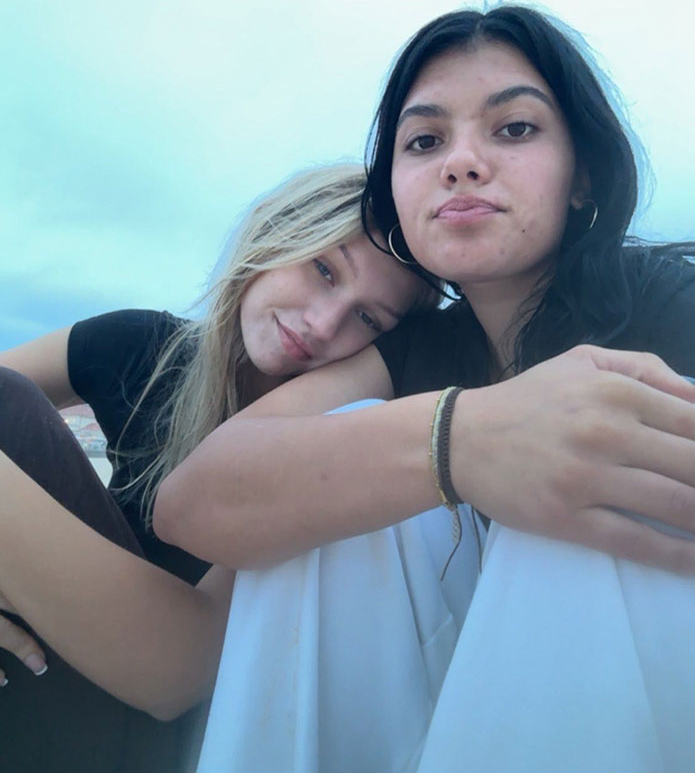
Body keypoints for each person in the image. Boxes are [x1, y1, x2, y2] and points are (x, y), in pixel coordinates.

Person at [151, 5, 695, 771]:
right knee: (330, 491)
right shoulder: (416, 350)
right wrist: (463, 440)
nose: (462, 162)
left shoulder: (667, 303)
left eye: (514, 129)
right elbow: (194, 499)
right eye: (425, 140)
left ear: (582, 179)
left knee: (594, 477)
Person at [0, 163, 435, 773]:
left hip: (163, 733)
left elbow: (180, 676)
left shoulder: (331, 432)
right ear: (276, 235)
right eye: (323, 269)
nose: (322, 323)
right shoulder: (142, 348)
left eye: (368, 319)